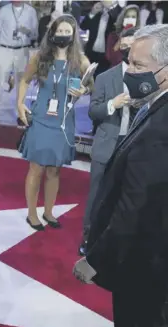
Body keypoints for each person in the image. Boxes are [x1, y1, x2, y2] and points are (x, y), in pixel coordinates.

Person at [73, 24, 168, 327]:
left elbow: (134, 207)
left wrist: (95, 260)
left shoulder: (161, 127)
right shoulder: (155, 108)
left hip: (145, 270)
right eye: (129, 62)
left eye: (140, 66)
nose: (129, 73)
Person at [17, 14, 91, 230]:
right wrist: (20, 104)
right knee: (36, 168)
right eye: (60, 31)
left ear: (74, 35)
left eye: (68, 32)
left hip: (63, 121)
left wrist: (84, 89)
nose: (64, 35)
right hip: (41, 118)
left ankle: (49, 212)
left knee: (54, 171)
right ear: (52, 33)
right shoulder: (40, 58)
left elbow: (92, 85)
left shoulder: (81, 61)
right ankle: (32, 214)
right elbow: (24, 80)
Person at [80, 27, 137, 256]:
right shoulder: (105, 77)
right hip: (106, 145)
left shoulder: (149, 80)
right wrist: (113, 104)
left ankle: (115, 239)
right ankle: (88, 236)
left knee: (124, 196)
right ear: (120, 46)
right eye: (127, 42)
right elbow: (93, 112)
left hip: (132, 145)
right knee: (97, 194)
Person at [0, 0, 38, 124]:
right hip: (4, 49)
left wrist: (26, 31)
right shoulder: (4, 10)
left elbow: (35, 34)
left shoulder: (31, 12)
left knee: (22, 82)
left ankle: (20, 112)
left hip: (22, 50)